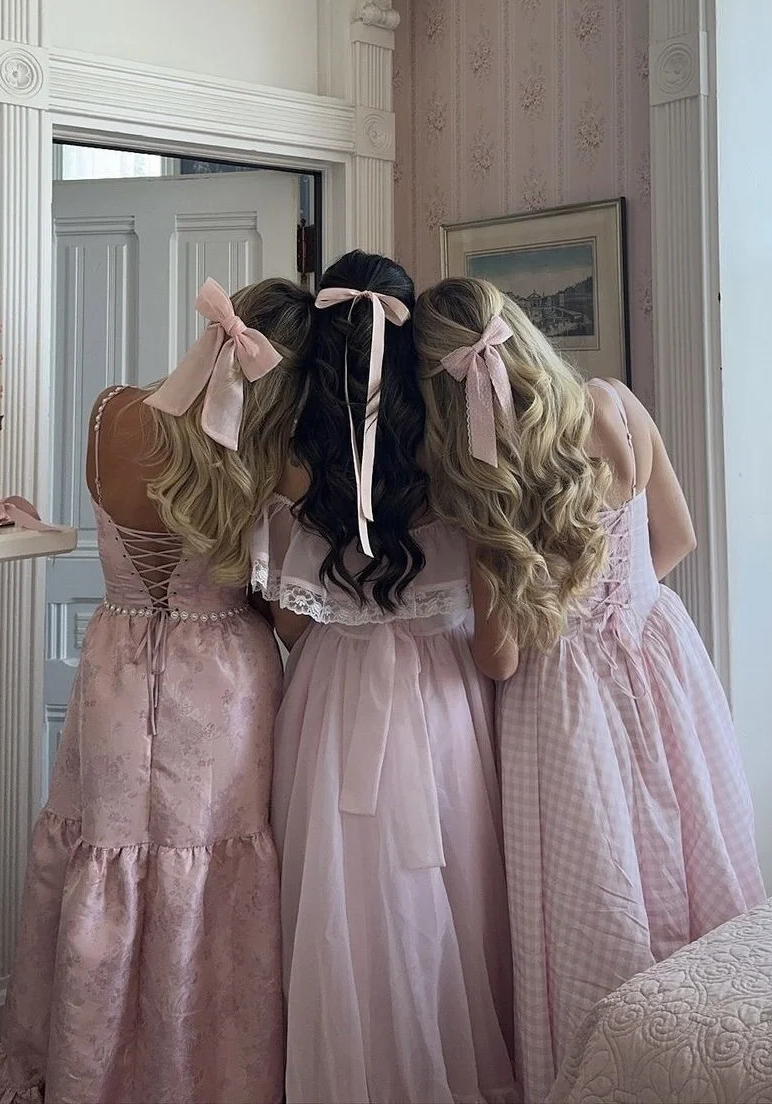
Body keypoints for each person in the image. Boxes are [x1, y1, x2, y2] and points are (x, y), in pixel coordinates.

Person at [413, 276, 766, 1104]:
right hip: (660, 662)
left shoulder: (488, 475)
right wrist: (620, 607)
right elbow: (675, 535)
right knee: (692, 856)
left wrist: (560, 623)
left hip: (567, 707)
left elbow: (499, 658)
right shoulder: (612, 403)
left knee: (599, 910)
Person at [0, 276, 314, 1104]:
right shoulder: (276, 464)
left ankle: (83, 1075)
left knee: (99, 858)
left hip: (114, 669)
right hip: (223, 688)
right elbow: (292, 622)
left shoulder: (110, 415)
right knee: (207, 882)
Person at [252, 252, 518, 1104]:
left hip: (332, 702)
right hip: (443, 706)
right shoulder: (455, 462)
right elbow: (491, 634)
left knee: (341, 909)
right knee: (450, 904)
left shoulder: (302, 467)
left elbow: (292, 623)